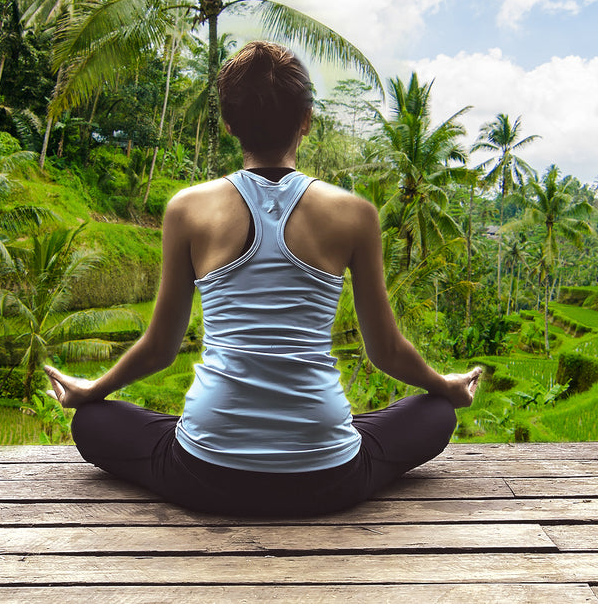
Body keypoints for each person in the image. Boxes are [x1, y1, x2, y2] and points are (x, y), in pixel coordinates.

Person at [44, 40, 482, 517]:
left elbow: (159, 349)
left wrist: (92, 391)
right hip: (328, 479)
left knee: (92, 422)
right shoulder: (354, 214)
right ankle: (318, 432)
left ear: (230, 125)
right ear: (307, 120)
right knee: (437, 412)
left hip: (205, 474)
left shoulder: (187, 209)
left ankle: (230, 433)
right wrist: (447, 387)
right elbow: (387, 353)